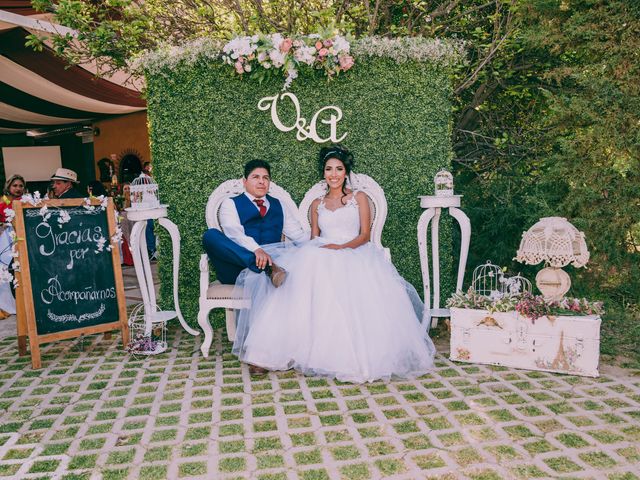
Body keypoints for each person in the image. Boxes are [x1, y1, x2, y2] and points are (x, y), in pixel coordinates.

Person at [232, 145, 436, 383]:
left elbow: (365, 235)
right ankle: (268, 352)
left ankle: (347, 355)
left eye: (339, 169)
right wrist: (318, 250)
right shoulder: (317, 204)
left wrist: (340, 248)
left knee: (340, 280)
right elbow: (315, 238)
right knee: (298, 279)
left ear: (346, 171)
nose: (334, 174)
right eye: (329, 169)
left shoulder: (358, 198)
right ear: (324, 173)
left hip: (354, 252)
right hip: (321, 251)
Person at [202, 159, 307, 287]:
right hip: (237, 270)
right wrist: (256, 250)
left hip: (277, 267)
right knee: (210, 235)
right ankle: (267, 268)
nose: (261, 181)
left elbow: (299, 236)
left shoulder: (280, 205)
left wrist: (321, 244)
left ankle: (269, 268)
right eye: (255, 177)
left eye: (266, 178)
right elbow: (234, 234)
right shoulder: (230, 203)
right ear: (244, 181)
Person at [0, 174, 25, 318]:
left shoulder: (27, 202)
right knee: (5, 270)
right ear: (8, 187)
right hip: (5, 241)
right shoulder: (2, 203)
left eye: (21, 186)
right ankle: (7, 305)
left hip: (22, 239)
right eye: (15, 185)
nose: (18, 188)